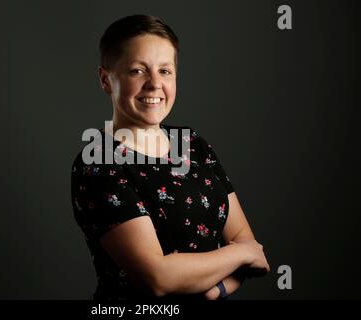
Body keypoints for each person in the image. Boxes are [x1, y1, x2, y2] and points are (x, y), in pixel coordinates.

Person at [71, 15, 270, 301]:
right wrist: (240, 254)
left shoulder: (190, 144)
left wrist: (218, 290)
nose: (154, 84)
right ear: (106, 79)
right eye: (138, 71)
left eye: (165, 71)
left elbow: (247, 241)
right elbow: (158, 278)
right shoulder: (99, 162)